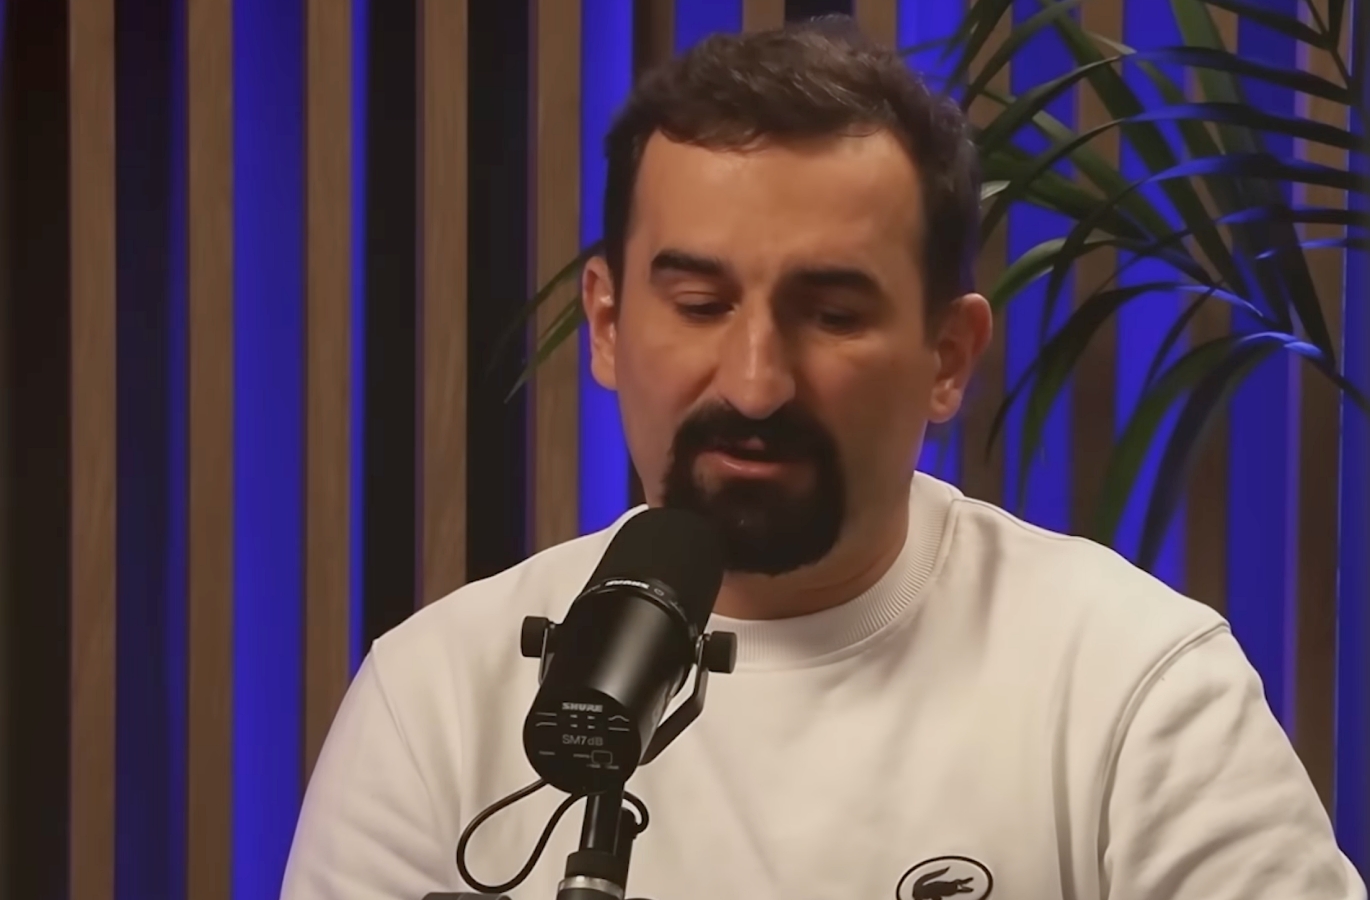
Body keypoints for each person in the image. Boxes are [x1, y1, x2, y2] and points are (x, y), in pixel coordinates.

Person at [280, 17, 1365, 900]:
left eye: (832, 314)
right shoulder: (433, 701)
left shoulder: (1132, 686)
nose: (755, 383)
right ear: (606, 325)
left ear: (948, 356)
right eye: (698, 304)